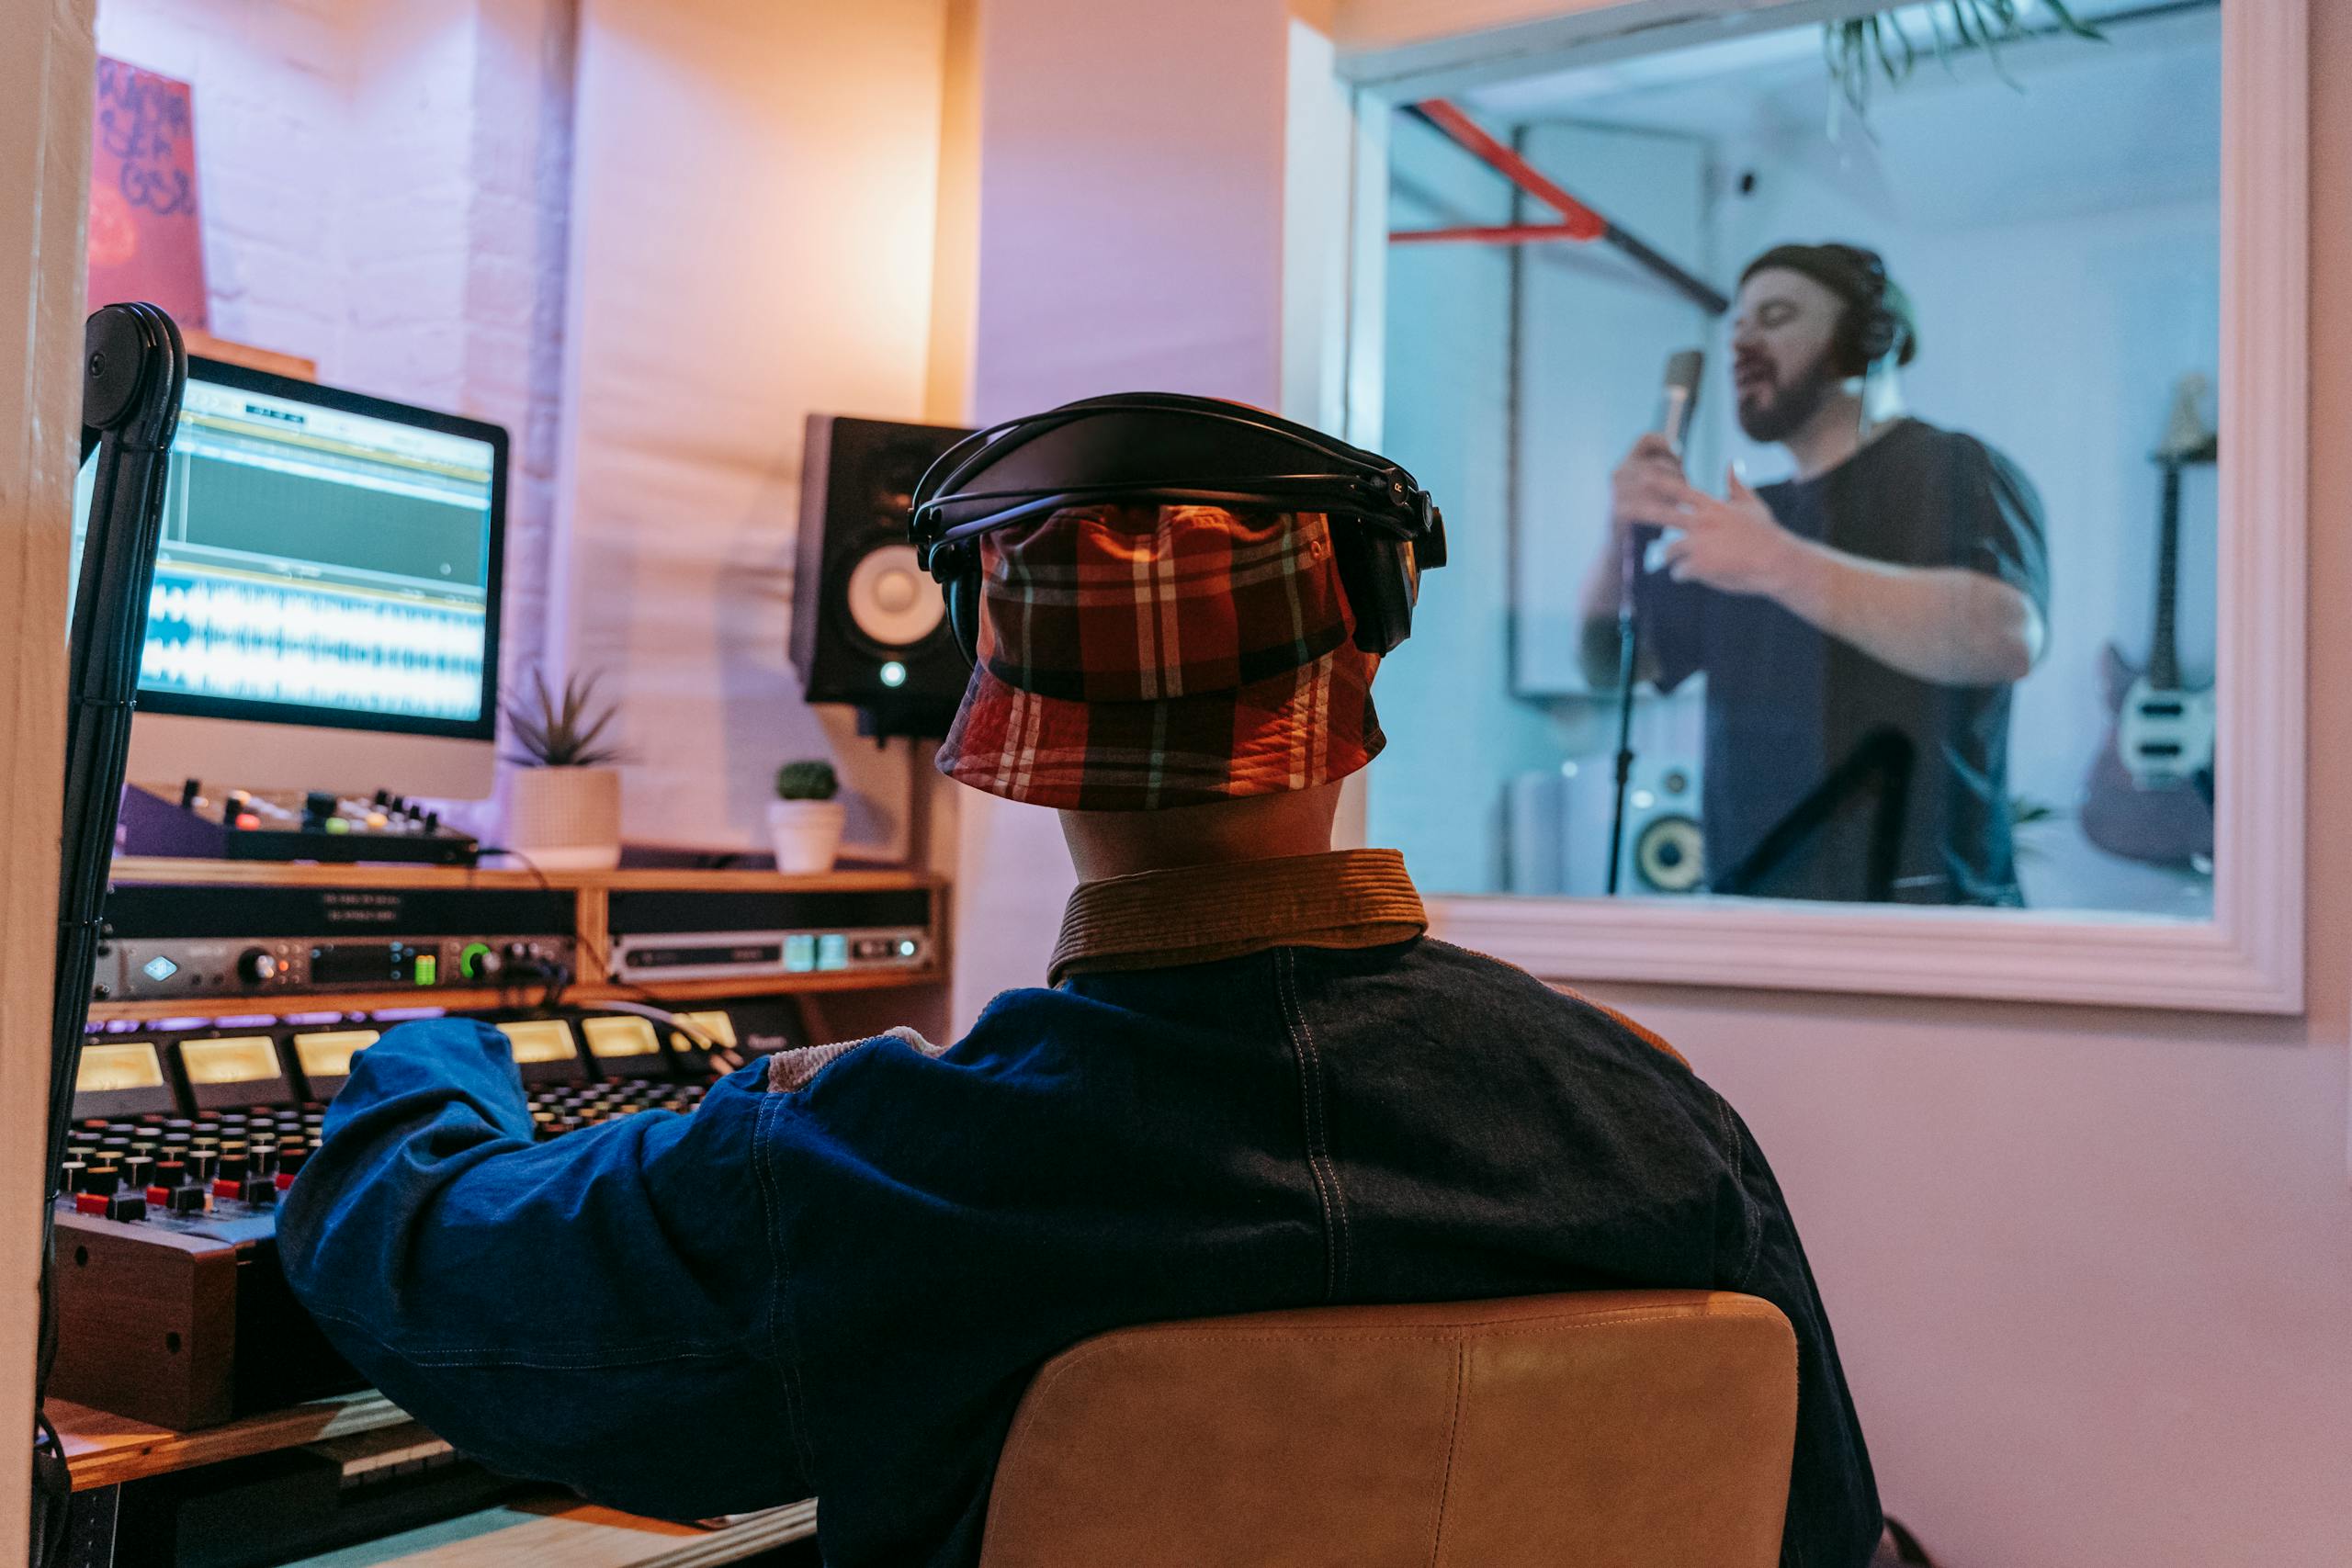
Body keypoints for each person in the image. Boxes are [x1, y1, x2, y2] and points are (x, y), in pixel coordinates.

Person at [277, 400, 1883, 1568]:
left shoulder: (872, 1160)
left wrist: (442, 1050)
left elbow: (402, 1257)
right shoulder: (1661, 1124)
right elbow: (1816, 1530)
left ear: (1005, 700)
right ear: (1366, 650)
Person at [1579, 242, 2050, 904]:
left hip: (1924, 914)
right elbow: (1610, 665)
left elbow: (2006, 637)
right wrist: (1618, 533)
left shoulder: (1953, 468)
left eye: (1775, 317)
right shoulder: (1751, 518)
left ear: (1865, 339)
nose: (1743, 344)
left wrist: (1777, 563)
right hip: (1752, 907)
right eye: (1738, 327)